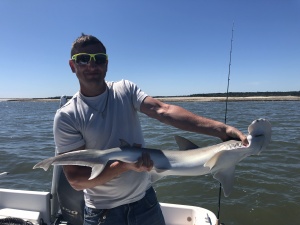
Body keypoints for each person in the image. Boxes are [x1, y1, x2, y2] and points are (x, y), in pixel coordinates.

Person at [53, 34, 248, 225]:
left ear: (107, 63)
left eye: (99, 59)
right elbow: (77, 181)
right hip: (103, 213)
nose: (92, 65)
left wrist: (222, 130)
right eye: (83, 59)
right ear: (72, 66)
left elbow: (163, 111)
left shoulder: (125, 90)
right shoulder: (67, 116)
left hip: (145, 203)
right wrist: (125, 166)